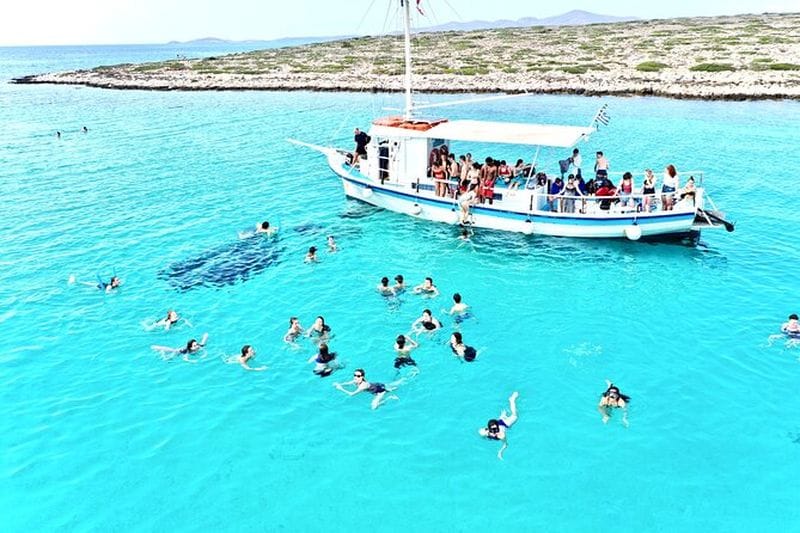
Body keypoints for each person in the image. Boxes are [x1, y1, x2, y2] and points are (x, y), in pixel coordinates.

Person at [479, 392, 520, 460]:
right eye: (493, 430)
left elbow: (505, 444)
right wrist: (485, 435)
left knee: (515, 416)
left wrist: (500, 452)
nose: (495, 431)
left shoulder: (501, 435)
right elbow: (480, 431)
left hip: (505, 424)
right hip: (498, 422)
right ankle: (503, 416)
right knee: (499, 420)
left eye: (496, 429)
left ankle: (512, 400)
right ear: (489, 429)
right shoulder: (486, 431)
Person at [334, 369, 400, 409]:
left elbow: (351, 394)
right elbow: (348, 383)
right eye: (354, 375)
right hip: (377, 385)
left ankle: (389, 398)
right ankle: (390, 390)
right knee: (393, 388)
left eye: (358, 376)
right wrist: (340, 384)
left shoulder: (362, 386)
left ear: (362, 377)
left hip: (379, 391)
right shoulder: (355, 380)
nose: (356, 377)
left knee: (374, 407)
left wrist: (340, 388)